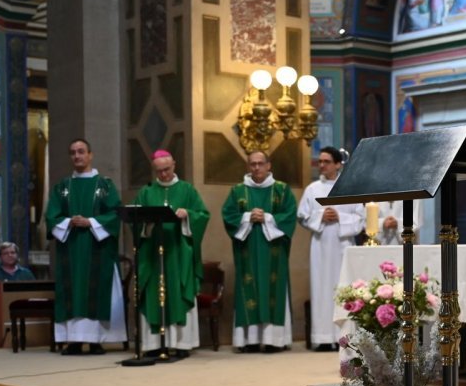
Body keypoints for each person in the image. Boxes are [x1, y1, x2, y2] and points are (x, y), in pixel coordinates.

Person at [45, 138, 126, 355]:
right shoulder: (62, 187)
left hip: (97, 248)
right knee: (72, 290)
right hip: (70, 249)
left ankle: (96, 340)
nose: (77, 156)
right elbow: (51, 216)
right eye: (73, 153)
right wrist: (68, 222)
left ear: (90, 155)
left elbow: (116, 213)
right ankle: (73, 340)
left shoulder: (105, 185)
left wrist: (90, 222)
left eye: (81, 152)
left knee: (96, 289)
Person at [132, 149, 210, 358]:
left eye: (166, 169)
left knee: (178, 290)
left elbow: (203, 215)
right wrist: (145, 223)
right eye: (159, 171)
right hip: (152, 255)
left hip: (178, 253)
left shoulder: (187, 190)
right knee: (152, 294)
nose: (164, 175)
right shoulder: (146, 192)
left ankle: (182, 343)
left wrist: (187, 215)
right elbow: (135, 219)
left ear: (174, 165)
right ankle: (154, 344)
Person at [223, 150, 298, 353]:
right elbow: (228, 215)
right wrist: (247, 217)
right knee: (249, 289)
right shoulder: (237, 191)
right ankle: (249, 340)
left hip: (274, 249)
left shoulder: (282, 190)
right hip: (246, 248)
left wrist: (268, 218)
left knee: (272, 289)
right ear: (248, 166)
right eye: (252, 164)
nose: (256, 167)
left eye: (260, 163)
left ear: (268, 165)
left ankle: (274, 340)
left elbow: (291, 214)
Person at [298, 147, 363, 351]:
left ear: (337, 164)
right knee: (321, 289)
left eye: (326, 161)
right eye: (320, 161)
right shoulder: (312, 189)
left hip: (343, 245)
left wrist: (340, 217)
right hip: (320, 245)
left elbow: (361, 218)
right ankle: (323, 337)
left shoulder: (350, 187)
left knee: (342, 289)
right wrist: (320, 217)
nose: (322, 165)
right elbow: (303, 216)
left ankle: (342, 336)